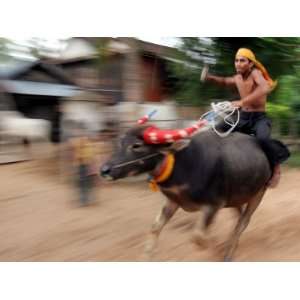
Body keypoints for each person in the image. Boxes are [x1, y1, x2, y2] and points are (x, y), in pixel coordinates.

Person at [201, 48, 290, 187]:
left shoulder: (256, 73)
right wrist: (209, 77)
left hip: (259, 118)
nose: (238, 63)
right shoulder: (237, 78)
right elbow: (224, 81)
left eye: (242, 60)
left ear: (250, 64)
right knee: (216, 130)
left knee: (262, 140)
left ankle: (276, 168)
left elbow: (265, 88)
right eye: (236, 60)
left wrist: (242, 102)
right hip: (242, 118)